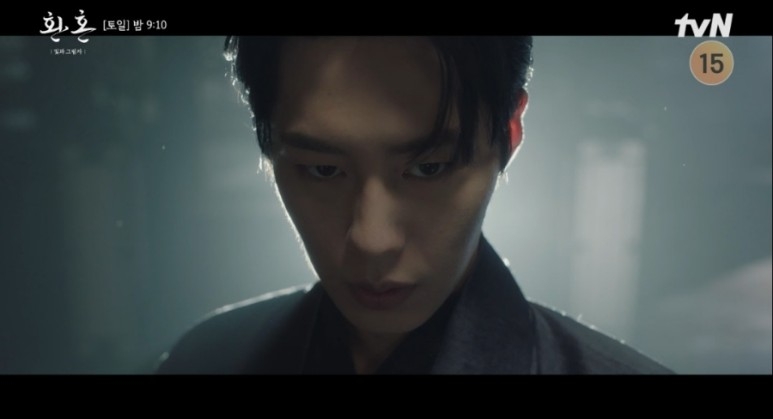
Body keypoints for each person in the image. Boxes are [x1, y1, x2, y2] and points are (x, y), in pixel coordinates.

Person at [156, 36, 673, 374]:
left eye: (429, 168)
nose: (372, 241)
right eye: (323, 170)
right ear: (266, 148)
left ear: (509, 135)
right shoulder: (203, 360)